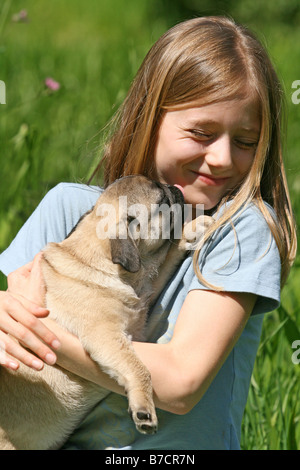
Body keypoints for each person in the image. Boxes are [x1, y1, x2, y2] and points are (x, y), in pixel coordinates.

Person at [0, 16, 297, 450]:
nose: (221, 158)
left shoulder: (239, 232)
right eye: (201, 133)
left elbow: (180, 382)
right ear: (150, 117)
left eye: (246, 141)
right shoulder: (66, 209)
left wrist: (45, 338)